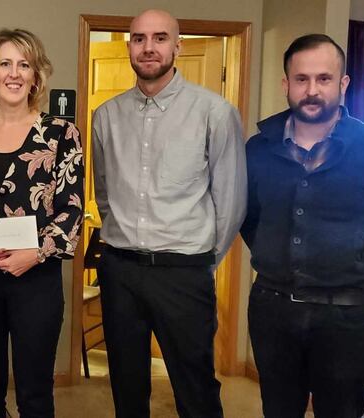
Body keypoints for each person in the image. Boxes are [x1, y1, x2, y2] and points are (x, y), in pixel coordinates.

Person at [241, 33, 364, 418]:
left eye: (324, 79)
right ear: (286, 84)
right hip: (273, 313)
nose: (312, 90)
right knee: (277, 410)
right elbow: (248, 218)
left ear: (343, 84)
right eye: (302, 79)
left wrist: (360, 270)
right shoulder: (258, 150)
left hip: (346, 317)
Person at [92, 9, 246, 418]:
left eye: (160, 38)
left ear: (178, 46)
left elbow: (230, 202)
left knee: (194, 386)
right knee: (126, 385)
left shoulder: (214, 113)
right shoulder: (105, 116)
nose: (149, 47)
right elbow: (104, 193)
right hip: (120, 270)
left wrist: (203, 262)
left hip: (183, 272)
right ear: (129, 46)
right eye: (139, 38)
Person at [0, 28, 83, 417]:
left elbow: (70, 211)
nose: (14, 73)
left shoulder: (60, 134)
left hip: (36, 280)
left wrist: (34, 254)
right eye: (5, 63)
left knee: (35, 394)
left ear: (36, 76)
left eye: (24, 64)